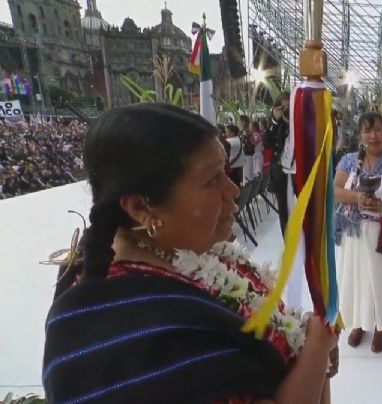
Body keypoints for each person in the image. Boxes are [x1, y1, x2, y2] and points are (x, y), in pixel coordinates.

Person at [42, 104, 337, 403]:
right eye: (211, 180)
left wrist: (311, 356)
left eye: (225, 172)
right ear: (141, 207)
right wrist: (315, 350)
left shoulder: (197, 251)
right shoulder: (128, 335)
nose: (233, 190)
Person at [334, 112, 382, 353]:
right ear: (361, 135)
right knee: (357, 278)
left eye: (377, 129)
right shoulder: (349, 161)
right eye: (367, 131)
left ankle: (380, 327)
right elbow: (335, 189)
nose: (372, 135)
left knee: (381, 280)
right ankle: (359, 323)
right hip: (354, 232)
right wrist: (356, 198)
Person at [264, 93, 292, 235]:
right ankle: (288, 241)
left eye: (289, 106)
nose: (286, 110)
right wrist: (275, 120)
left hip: (297, 171)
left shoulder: (297, 121)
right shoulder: (275, 125)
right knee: (283, 208)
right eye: (283, 107)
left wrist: (290, 120)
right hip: (280, 172)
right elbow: (268, 143)